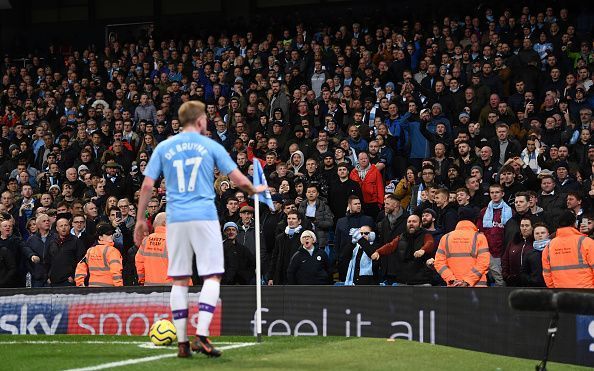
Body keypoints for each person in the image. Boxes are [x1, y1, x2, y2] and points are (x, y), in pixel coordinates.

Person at [134, 101, 266, 358]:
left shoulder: (164, 146)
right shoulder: (210, 145)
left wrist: (141, 219)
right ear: (200, 120)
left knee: (180, 280)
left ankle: (182, 342)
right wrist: (253, 189)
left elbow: (148, 185)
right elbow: (236, 177)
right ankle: (202, 335)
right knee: (212, 276)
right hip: (203, 216)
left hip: (175, 218)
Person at [542, 210, 594, 288]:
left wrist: (554, 289)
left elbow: (547, 273)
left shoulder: (549, 246)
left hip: (561, 294)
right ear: (575, 223)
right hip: (586, 293)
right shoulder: (587, 242)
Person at [434, 220, 491, 287]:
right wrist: (467, 281)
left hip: (454, 287)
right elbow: (483, 263)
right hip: (477, 287)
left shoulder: (445, 237)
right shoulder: (479, 237)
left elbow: (439, 263)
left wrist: (452, 280)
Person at [477, 183, 512, 286]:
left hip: (503, 250)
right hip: (487, 250)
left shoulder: (509, 211)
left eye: (497, 192)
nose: (494, 195)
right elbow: (479, 232)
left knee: (500, 280)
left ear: (502, 194)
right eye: (492, 192)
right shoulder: (483, 212)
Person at [75, 223, 123, 287]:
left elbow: (80, 266)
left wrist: (80, 283)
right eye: (108, 234)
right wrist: (119, 287)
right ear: (100, 237)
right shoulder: (112, 251)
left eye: (111, 234)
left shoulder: (90, 250)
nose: (111, 236)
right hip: (109, 289)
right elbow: (116, 271)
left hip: (93, 288)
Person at [46, 216, 86, 287]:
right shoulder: (52, 242)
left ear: (69, 227)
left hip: (68, 281)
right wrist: (48, 276)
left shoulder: (76, 241)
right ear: (57, 228)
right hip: (53, 281)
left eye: (66, 225)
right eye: (61, 226)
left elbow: (81, 261)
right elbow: (47, 260)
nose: (64, 228)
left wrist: (73, 276)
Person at [136, 212, 171, 286]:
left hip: (150, 288)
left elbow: (139, 262)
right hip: (170, 288)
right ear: (165, 223)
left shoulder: (146, 240)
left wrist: (142, 280)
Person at [501, 216, 534, 287]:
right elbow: (505, 260)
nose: (524, 228)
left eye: (527, 226)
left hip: (531, 283)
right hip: (513, 282)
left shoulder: (535, 243)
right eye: (522, 226)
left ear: (532, 227)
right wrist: (506, 276)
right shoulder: (513, 242)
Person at [520, 222, 549, 287]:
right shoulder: (529, 254)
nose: (540, 235)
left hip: (552, 287)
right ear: (533, 235)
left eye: (543, 233)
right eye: (537, 233)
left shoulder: (553, 250)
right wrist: (532, 281)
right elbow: (523, 273)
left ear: (548, 234)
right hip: (535, 288)